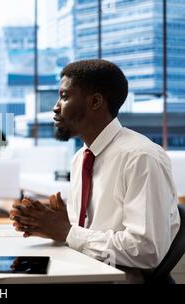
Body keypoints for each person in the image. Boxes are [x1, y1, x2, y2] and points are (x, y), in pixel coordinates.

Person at [10, 59, 180, 282]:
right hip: (85, 272)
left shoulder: (141, 158)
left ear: (95, 101)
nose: (55, 106)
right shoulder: (81, 158)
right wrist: (49, 226)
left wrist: (67, 231)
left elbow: (147, 250)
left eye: (64, 96)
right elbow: (87, 232)